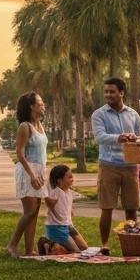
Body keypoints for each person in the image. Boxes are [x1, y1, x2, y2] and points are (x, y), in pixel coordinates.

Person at [91, 76, 140, 253]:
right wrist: (119, 138)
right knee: (107, 207)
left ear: (121, 93)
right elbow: (99, 137)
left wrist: (137, 138)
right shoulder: (99, 114)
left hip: (130, 166)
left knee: (132, 208)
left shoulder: (133, 114)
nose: (108, 95)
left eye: (112, 92)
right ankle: (104, 245)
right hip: (108, 165)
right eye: (106, 91)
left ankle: (133, 245)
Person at [6, 91, 49, 257]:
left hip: (39, 171)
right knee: (29, 211)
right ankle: (12, 246)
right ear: (31, 106)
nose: (43, 105)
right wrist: (32, 175)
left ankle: (30, 249)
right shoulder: (25, 126)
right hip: (27, 171)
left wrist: (41, 173)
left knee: (36, 211)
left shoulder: (40, 125)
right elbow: (20, 153)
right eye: (40, 102)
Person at [41, 164, 89, 254]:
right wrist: (43, 192)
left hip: (68, 225)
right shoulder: (56, 192)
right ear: (59, 180)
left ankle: (55, 245)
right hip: (57, 227)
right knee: (76, 251)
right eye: (69, 177)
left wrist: (70, 211)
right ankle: (49, 245)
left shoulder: (69, 192)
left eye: (72, 176)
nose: (72, 179)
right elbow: (50, 204)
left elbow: (64, 204)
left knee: (84, 248)